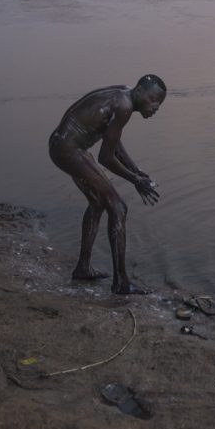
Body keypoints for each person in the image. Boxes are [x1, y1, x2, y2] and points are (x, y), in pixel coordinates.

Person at [48, 75, 166, 294]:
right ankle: (121, 282)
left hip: (62, 145)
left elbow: (113, 140)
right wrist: (136, 180)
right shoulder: (124, 107)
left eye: (159, 103)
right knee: (118, 207)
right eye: (153, 99)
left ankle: (83, 268)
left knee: (97, 203)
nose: (155, 107)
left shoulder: (123, 96)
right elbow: (106, 158)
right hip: (69, 150)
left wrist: (136, 170)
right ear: (140, 90)